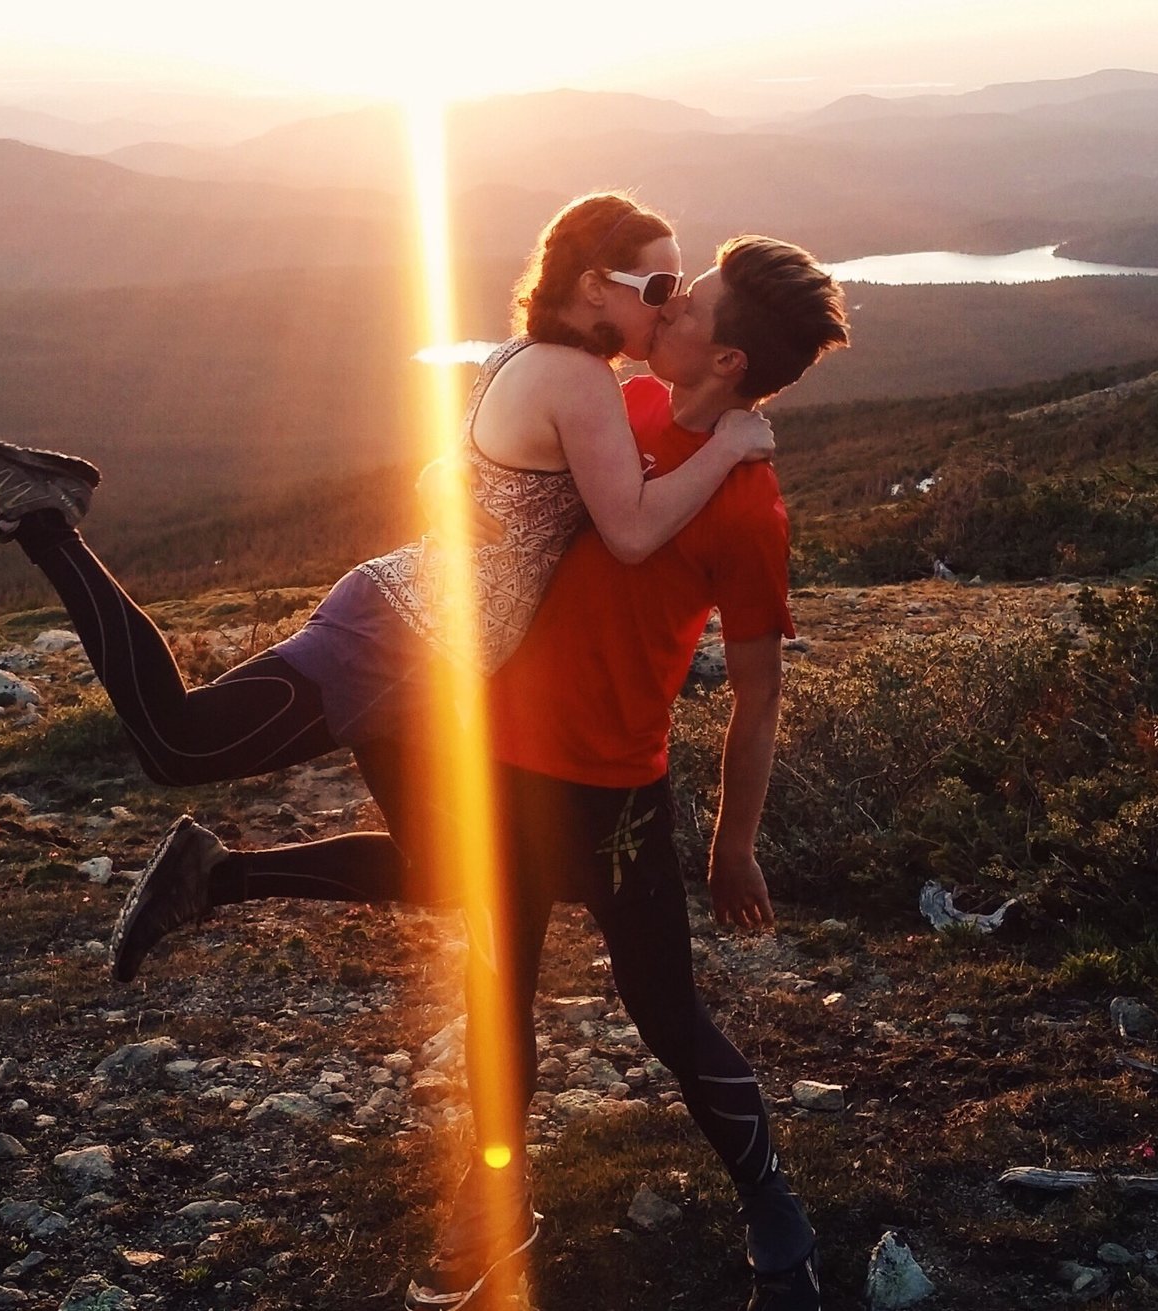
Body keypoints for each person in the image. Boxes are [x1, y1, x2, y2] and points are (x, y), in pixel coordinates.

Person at [107, 237, 852, 1311]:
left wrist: (734, 842)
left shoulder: (746, 506)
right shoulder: (616, 402)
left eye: (690, 304)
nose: (669, 304)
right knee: (497, 997)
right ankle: (493, 1202)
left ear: (728, 361)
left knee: (665, 1013)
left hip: (616, 795)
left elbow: (758, 691)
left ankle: (770, 1204)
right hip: (501, 759)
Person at [0, 192, 774, 978]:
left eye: (679, 294)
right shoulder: (580, 378)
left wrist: (441, 480)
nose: (671, 309)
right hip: (399, 636)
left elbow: (476, 466)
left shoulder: (538, 357)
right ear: (594, 286)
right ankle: (47, 518)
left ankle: (214, 874)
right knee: (178, 745)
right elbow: (628, 529)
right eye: (657, 290)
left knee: (445, 867)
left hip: (429, 651)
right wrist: (733, 445)